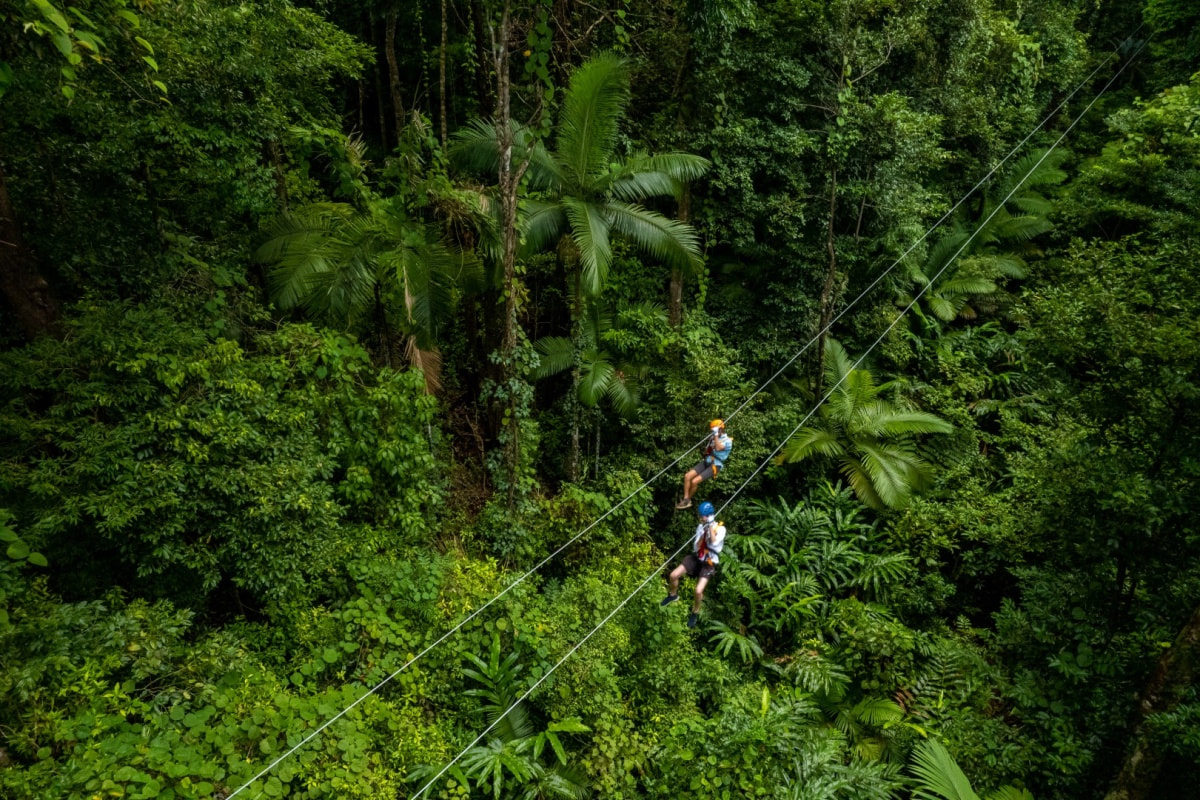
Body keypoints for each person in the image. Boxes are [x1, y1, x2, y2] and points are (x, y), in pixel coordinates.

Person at [661, 502, 726, 628]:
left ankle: (695, 611)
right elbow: (696, 547)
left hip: (709, 563)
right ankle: (673, 595)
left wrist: (710, 528)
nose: (700, 518)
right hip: (697, 558)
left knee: (698, 590)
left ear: (709, 515)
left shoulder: (720, 528)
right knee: (673, 575)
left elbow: (714, 542)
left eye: (702, 516)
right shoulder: (700, 527)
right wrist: (703, 533)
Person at [676, 419, 732, 510]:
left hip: (716, 464)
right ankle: (685, 499)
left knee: (694, 481)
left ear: (721, 429)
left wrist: (716, 436)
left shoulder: (728, 441)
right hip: (707, 460)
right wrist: (710, 444)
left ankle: (688, 500)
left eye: (715, 430)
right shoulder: (713, 438)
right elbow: (707, 450)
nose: (713, 432)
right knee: (687, 476)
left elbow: (718, 448)